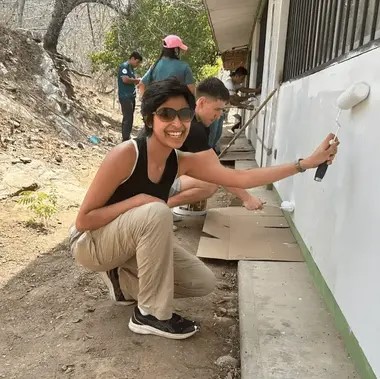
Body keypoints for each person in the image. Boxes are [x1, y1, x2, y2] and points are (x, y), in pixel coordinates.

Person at [70, 78, 339, 340]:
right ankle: (149, 314)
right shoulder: (126, 154)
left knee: (201, 282)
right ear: (151, 119)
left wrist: (304, 164)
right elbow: (84, 221)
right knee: (156, 211)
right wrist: (139, 200)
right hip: (92, 244)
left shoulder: (181, 160)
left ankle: (122, 285)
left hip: (127, 242)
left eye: (184, 114)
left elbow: (241, 179)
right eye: (166, 114)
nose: (177, 123)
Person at [168, 77, 264, 211]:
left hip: (157, 176)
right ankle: (158, 206)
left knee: (205, 174)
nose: (219, 116)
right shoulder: (192, 128)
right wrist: (247, 198)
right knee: (210, 183)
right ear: (201, 102)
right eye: (217, 109)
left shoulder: (190, 116)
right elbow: (217, 172)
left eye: (222, 111)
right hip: (147, 183)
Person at [118, 51, 143, 141]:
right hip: (125, 96)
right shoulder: (124, 66)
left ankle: (127, 136)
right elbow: (125, 79)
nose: (137, 64)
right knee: (127, 118)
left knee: (130, 117)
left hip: (131, 96)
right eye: (137, 62)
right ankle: (125, 138)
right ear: (132, 58)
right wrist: (136, 80)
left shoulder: (131, 68)